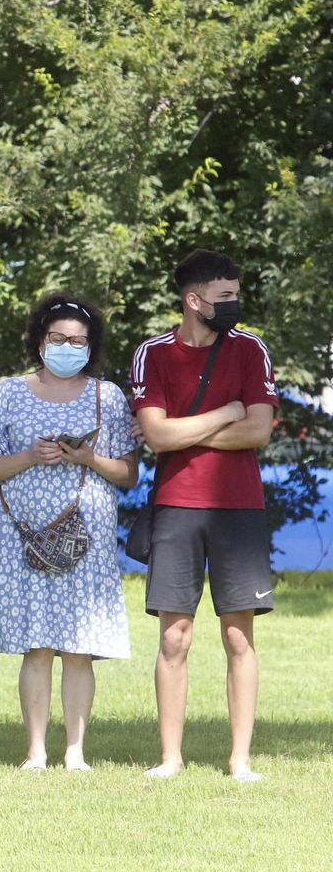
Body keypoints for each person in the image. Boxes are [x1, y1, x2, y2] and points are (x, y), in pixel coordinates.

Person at [0, 295, 139, 771]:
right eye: (59, 338)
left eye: (79, 341)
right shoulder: (9, 391)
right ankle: (36, 752)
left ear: (92, 346)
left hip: (87, 536)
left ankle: (76, 753)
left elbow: (128, 472)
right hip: (24, 539)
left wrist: (86, 458)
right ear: (40, 340)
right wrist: (29, 455)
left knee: (79, 647)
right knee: (37, 645)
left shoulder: (109, 395)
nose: (69, 347)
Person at [130, 250, 277, 782]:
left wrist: (186, 430)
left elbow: (258, 430)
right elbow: (156, 435)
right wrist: (225, 414)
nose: (235, 304)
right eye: (225, 296)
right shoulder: (153, 354)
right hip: (176, 507)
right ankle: (171, 759)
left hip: (240, 508)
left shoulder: (251, 350)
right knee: (175, 637)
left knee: (239, 636)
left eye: (236, 294)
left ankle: (240, 761)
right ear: (194, 300)